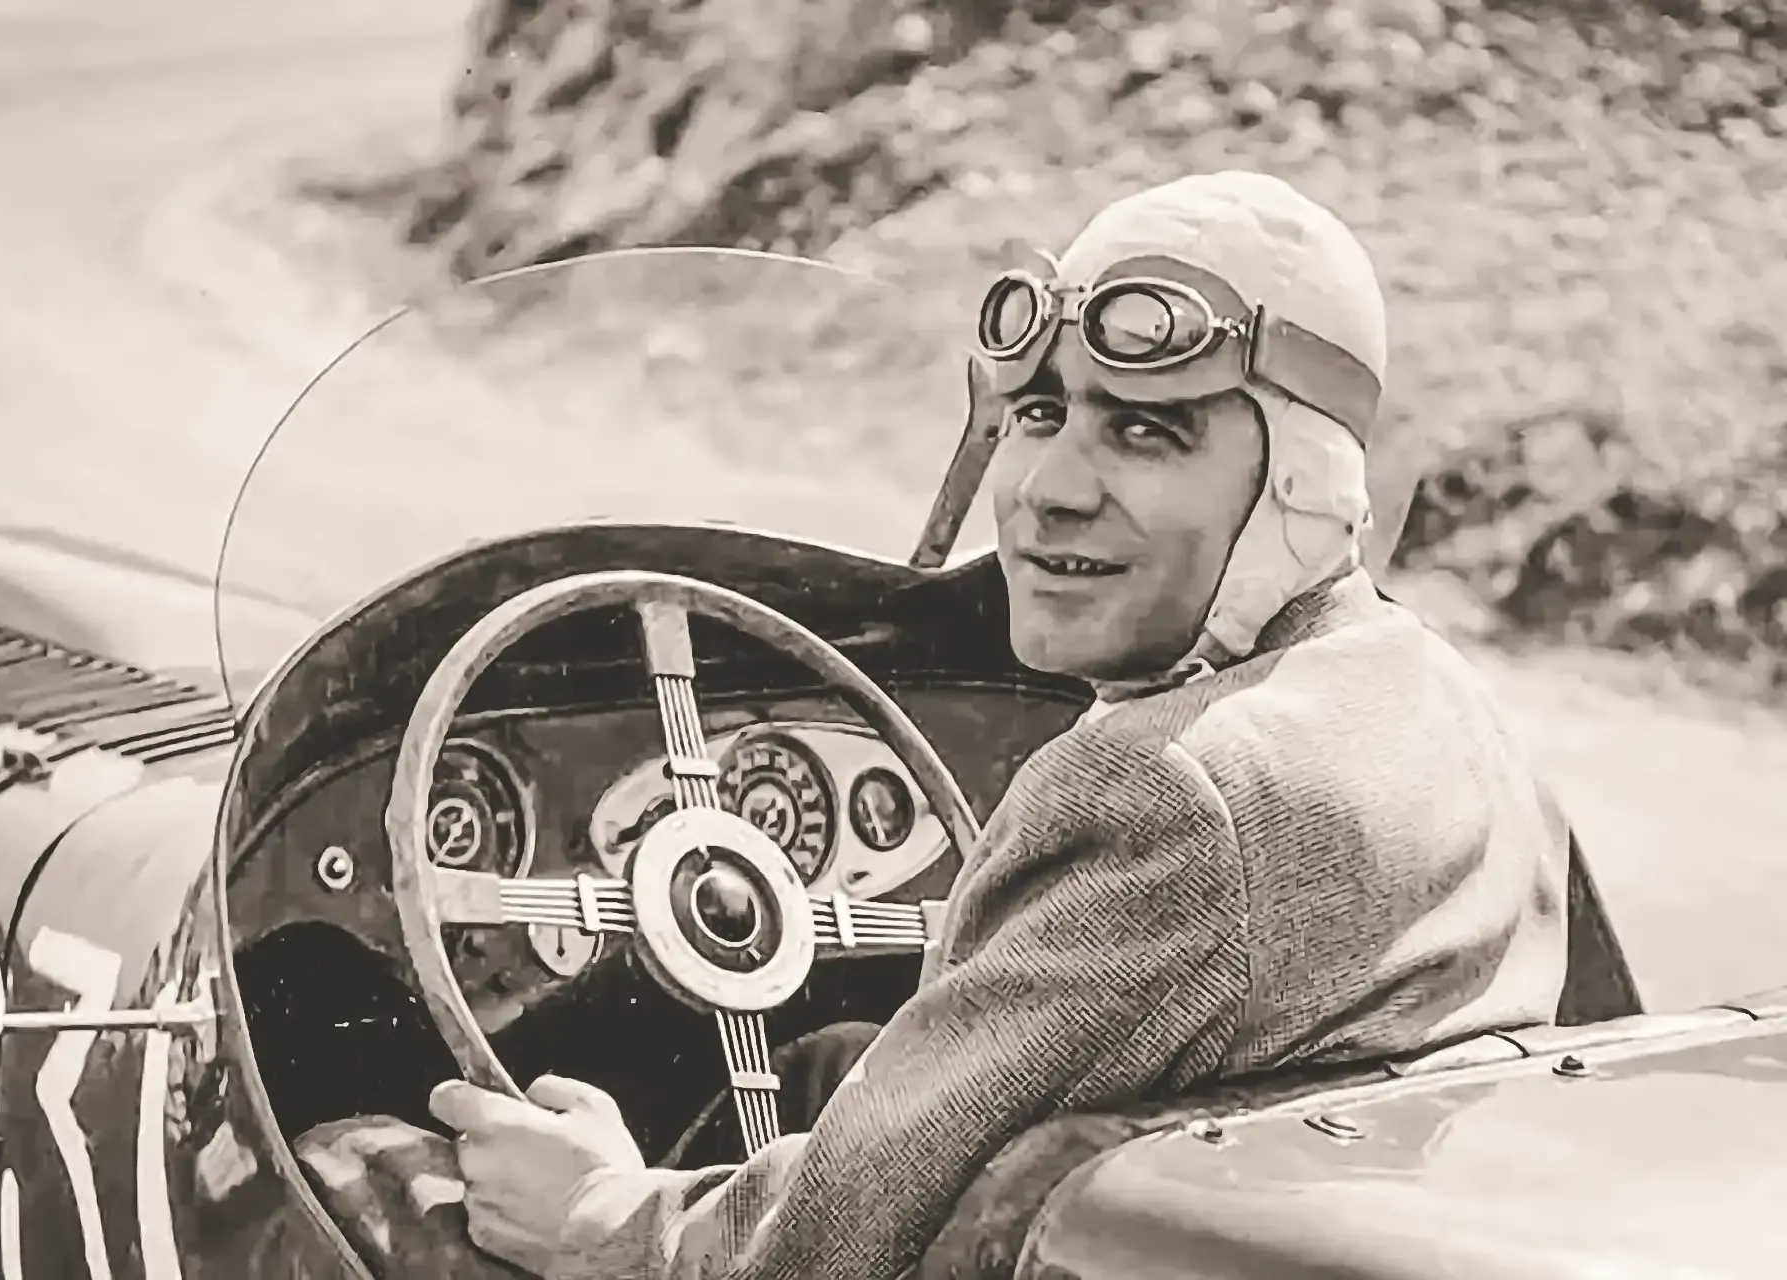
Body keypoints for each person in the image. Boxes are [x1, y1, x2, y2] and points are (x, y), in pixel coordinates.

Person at [294, 171, 1571, 1279]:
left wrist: (604, 1214)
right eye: (1039, 414)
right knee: (834, 1062)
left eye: (1147, 431)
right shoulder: (1444, 705)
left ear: (1299, 480)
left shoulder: (1165, 791)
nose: (1048, 490)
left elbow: (819, 1249)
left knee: (351, 1152)